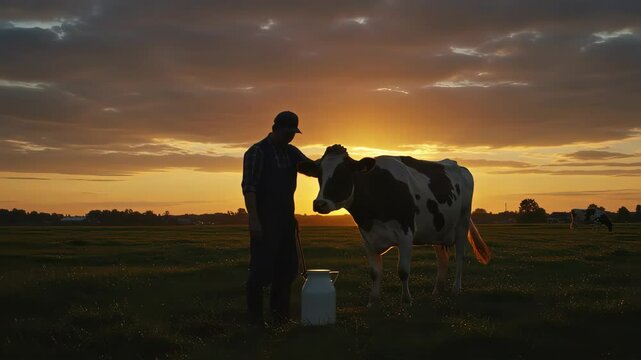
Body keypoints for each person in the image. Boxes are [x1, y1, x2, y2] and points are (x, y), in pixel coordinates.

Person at [241, 110, 311, 326]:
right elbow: (249, 187)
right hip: (265, 219)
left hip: (286, 219)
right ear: (276, 129)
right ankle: (255, 321)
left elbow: (313, 168)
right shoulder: (257, 152)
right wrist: (254, 218)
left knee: (287, 269)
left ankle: (280, 318)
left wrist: (333, 159)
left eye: (294, 133)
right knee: (261, 270)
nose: (291, 137)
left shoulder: (292, 153)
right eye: (288, 132)